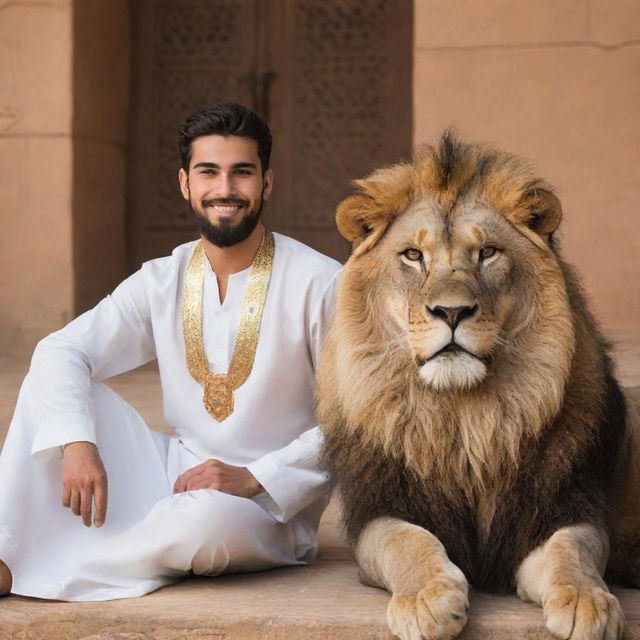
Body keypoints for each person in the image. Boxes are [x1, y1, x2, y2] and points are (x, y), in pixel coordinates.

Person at [0, 103, 341, 601]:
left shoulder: (321, 281)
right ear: (186, 184)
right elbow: (63, 349)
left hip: (264, 507)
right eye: (209, 172)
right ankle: (5, 552)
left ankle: (38, 570)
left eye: (241, 173)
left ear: (266, 183)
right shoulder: (164, 278)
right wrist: (77, 441)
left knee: (202, 527)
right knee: (52, 385)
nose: (225, 189)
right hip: (175, 470)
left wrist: (254, 476)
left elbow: (362, 419)